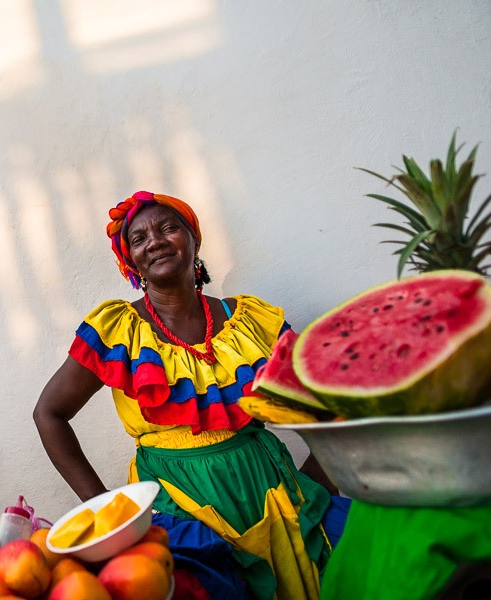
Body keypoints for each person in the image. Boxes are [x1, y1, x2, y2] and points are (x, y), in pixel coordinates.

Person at [33, 191, 347, 600]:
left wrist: (315, 480)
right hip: (175, 497)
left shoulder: (253, 320)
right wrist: (108, 513)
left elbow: (325, 404)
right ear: (131, 260)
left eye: (169, 228)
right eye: (140, 238)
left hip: (274, 490)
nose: (156, 241)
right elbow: (49, 414)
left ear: (194, 240)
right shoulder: (118, 330)